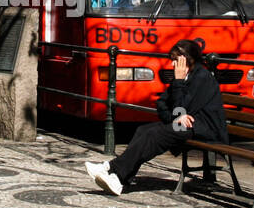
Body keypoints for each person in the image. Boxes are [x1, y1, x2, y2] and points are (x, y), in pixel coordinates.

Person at [85, 39, 228, 196]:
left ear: (187, 59)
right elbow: (162, 104)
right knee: (143, 130)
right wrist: (174, 118)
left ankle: (114, 172)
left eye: (176, 60)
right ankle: (117, 175)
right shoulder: (183, 77)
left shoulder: (201, 77)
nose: (173, 64)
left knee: (155, 134)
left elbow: (183, 108)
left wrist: (179, 86)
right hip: (186, 125)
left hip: (205, 129)